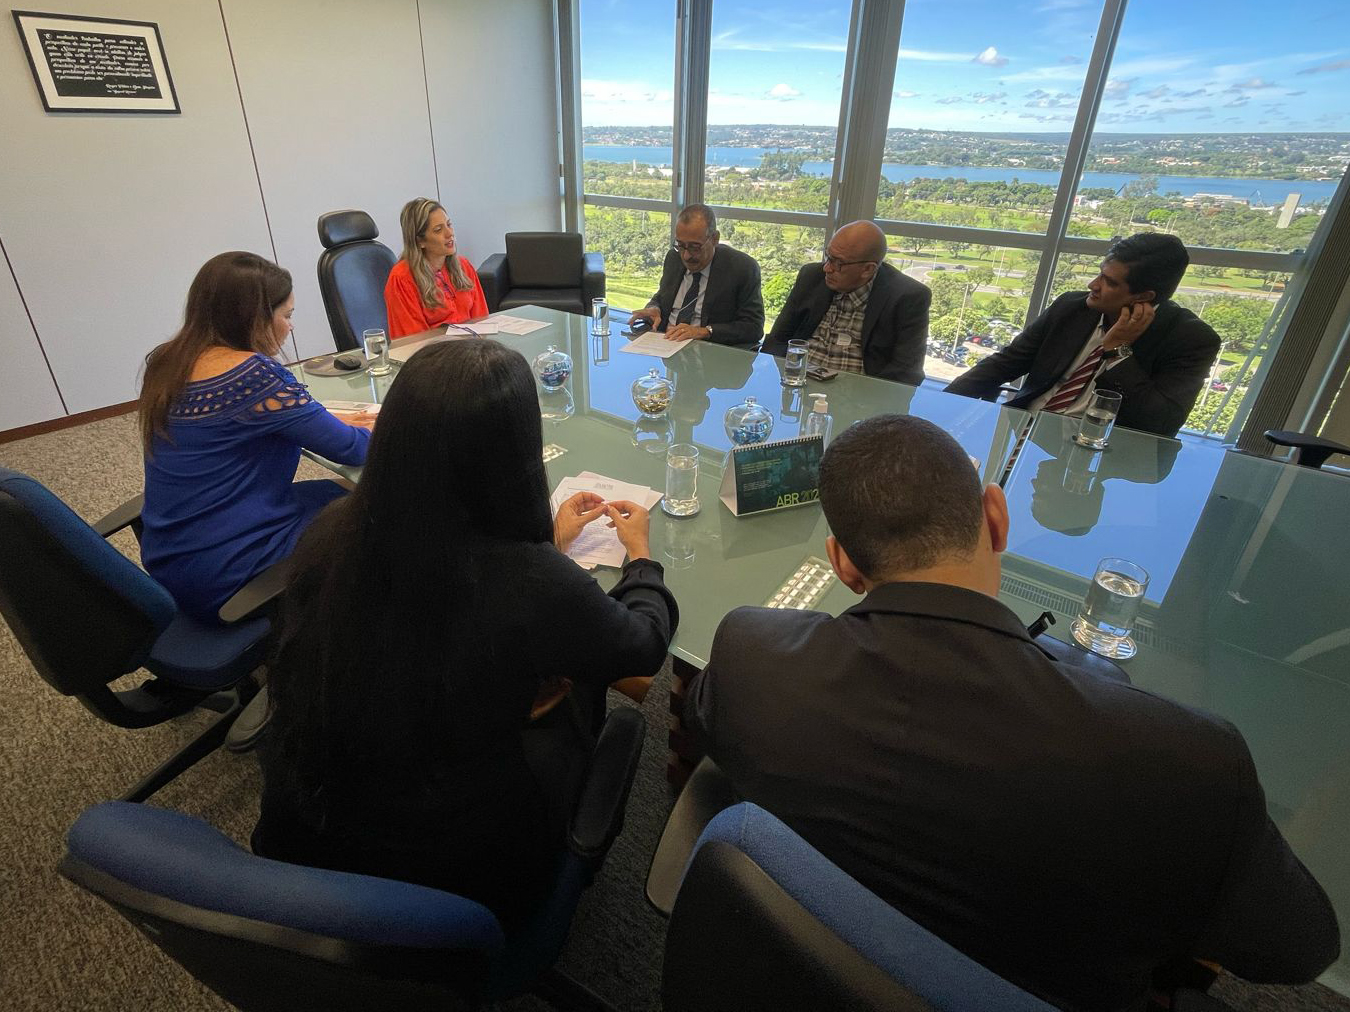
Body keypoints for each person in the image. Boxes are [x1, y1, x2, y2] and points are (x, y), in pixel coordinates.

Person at [684, 414, 1338, 1012]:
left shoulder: (751, 654)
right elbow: (1297, 949)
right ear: (997, 518)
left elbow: (702, 721)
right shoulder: (1192, 763)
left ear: (843, 566)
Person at [253, 339, 678, 931]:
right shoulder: (531, 581)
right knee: (584, 685)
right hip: (455, 875)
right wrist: (642, 562)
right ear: (516, 453)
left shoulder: (332, 530)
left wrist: (551, 546)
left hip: (310, 833)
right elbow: (643, 646)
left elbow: (432, 618)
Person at [139, 252, 373, 623]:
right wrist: (395, 419)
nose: (290, 327)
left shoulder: (167, 362)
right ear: (254, 317)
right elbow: (353, 448)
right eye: (287, 315)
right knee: (385, 510)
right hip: (230, 571)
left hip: (173, 556)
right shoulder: (253, 377)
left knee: (340, 490)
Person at [945, 233, 1220, 438]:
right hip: (1022, 429)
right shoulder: (1071, 308)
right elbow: (1005, 362)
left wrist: (1118, 351)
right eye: (1100, 274)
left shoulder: (1190, 340)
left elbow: (1159, 424)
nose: (1093, 285)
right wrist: (940, 406)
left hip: (1099, 453)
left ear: (1143, 297)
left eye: (1109, 282)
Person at [761, 221, 930, 385]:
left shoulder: (907, 297)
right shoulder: (811, 276)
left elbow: (905, 372)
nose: (827, 268)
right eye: (828, 256)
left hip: (860, 393)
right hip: (799, 382)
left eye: (838, 263)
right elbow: (778, 340)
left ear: (868, 269)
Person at [628, 204, 764, 350]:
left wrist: (705, 331)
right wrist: (654, 308)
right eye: (681, 245)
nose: (686, 256)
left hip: (709, 352)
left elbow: (753, 327)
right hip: (664, 345)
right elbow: (661, 297)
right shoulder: (674, 258)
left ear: (715, 239)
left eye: (695, 247)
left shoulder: (741, 268)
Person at [383, 197, 488, 338]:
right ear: (420, 241)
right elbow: (413, 341)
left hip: (472, 347)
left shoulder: (464, 266)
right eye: (438, 230)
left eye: (449, 225)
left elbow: (482, 321)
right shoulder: (401, 279)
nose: (449, 233)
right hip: (435, 350)